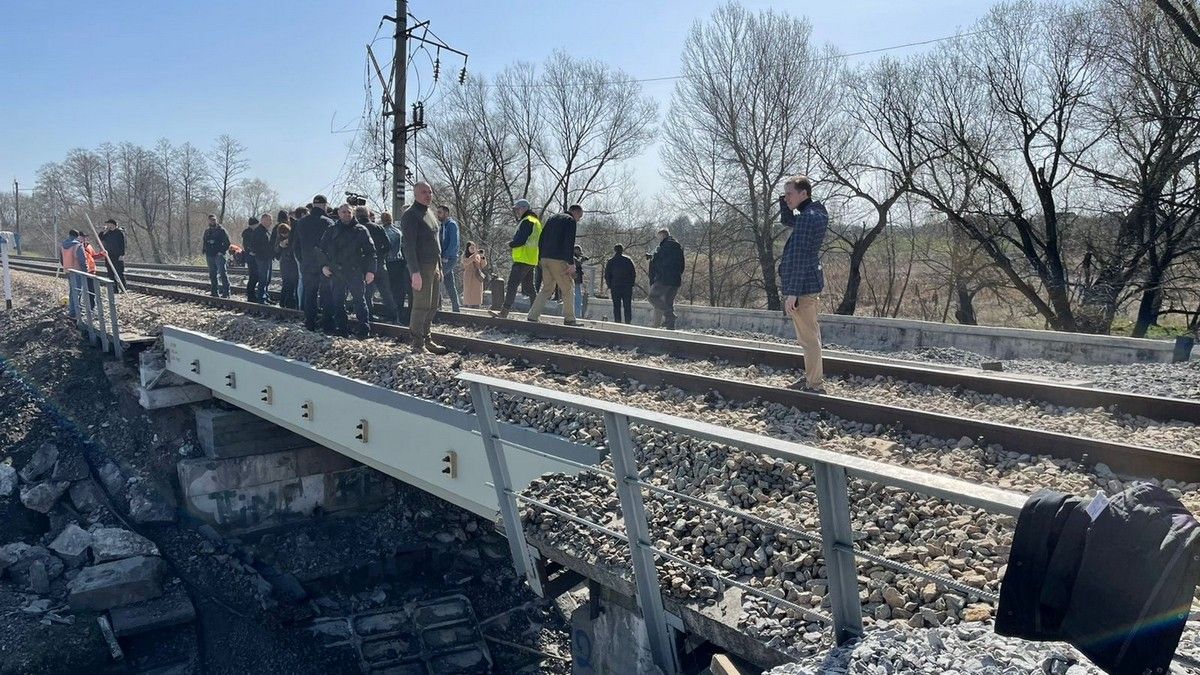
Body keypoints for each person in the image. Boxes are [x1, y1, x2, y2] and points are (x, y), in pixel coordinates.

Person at [778, 174, 829, 392]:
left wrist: (792, 293)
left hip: (802, 287)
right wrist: (785, 201)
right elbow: (788, 220)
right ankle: (811, 379)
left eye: (790, 193)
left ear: (803, 193)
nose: (786, 197)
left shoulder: (808, 218)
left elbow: (799, 256)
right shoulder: (813, 214)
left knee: (808, 340)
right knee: (810, 337)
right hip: (808, 284)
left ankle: (815, 384)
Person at [401, 182, 450, 354]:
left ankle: (427, 338)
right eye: (423, 192)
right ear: (415, 194)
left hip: (434, 266)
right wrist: (414, 272)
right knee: (421, 306)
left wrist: (440, 268)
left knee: (433, 305)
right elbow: (408, 246)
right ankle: (417, 344)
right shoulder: (411, 215)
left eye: (429, 192)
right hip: (421, 267)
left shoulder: (429, 212)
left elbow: (435, 243)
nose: (428, 195)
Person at [315, 203, 376, 338]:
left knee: (360, 300)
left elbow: (371, 252)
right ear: (339, 213)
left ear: (353, 213)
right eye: (343, 212)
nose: (346, 214)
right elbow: (321, 250)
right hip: (336, 271)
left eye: (348, 212)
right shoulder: (332, 230)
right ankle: (342, 328)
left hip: (355, 271)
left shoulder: (361, 230)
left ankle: (364, 330)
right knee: (338, 301)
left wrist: (371, 271)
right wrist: (323, 266)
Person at [528, 204, 583, 324]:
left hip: (544, 258)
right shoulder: (570, 221)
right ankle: (569, 319)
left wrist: (540, 258)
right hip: (558, 260)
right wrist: (570, 263)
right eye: (579, 216)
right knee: (568, 288)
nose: (579, 219)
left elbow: (541, 238)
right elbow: (569, 243)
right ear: (575, 212)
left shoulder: (552, 218)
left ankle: (532, 315)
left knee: (547, 289)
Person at [491, 199, 542, 319]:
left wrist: (511, 244)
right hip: (531, 259)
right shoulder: (536, 221)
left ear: (524, 208)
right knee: (530, 288)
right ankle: (535, 313)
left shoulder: (527, 221)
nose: (517, 211)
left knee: (512, 285)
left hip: (522, 259)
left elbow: (521, 240)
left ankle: (504, 312)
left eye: (518, 209)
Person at [292, 195, 335, 330]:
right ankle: (327, 322)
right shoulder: (329, 222)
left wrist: (302, 260)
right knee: (327, 293)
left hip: (307, 263)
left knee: (310, 293)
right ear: (325, 205)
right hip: (325, 265)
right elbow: (333, 246)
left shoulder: (301, 222)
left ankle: (310, 321)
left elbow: (296, 246)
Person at [359, 206, 398, 322]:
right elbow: (388, 245)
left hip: (364, 266)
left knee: (367, 293)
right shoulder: (378, 228)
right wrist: (379, 255)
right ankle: (394, 316)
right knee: (386, 292)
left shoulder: (357, 229)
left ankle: (369, 317)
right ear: (367, 215)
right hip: (380, 264)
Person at [647, 227, 685, 329]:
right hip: (676, 279)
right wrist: (677, 275)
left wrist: (657, 275)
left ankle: (670, 316)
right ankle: (670, 327)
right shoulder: (678, 247)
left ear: (662, 235)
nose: (658, 239)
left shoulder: (663, 247)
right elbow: (682, 265)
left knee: (652, 297)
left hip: (663, 278)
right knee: (669, 302)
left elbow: (658, 263)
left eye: (658, 237)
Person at [382, 211, 411, 324]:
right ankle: (400, 312)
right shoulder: (398, 231)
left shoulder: (383, 231)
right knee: (399, 290)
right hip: (399, 263)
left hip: (388, 263)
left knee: (389, 290)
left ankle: (392, 314)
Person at [437, 205, 462, 312]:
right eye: (437, 212)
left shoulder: (451, 225)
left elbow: (454, 243)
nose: (438, 215)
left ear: (446, 213)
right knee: (449, 283)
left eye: (440, 212)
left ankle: (437, 305)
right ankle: (456, 308)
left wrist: (446, 256)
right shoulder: (442, 226)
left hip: (450, 258)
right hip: (443, 257)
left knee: (437, 279)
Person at [605, 244, 636, 324]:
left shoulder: (611, 261)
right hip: (627, 286)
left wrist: (609, 285)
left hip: (615, 286)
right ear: (622, 250)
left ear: (615, 250)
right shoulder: (628, 260)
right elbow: (633, 273)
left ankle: (617, 322)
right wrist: (631, 284)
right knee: (627, 305)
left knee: (616, 306)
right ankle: (628, 322)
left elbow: (607, 275)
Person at [202, 214, 231, 298]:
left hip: (219, 255)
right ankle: (214, 292)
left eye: (214, 219)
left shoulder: (221, 230)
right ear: (208, 221)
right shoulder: (207, 231)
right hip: (209, 255)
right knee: (212, 274)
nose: (212, 221)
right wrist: (204, 250)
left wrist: (221, 251)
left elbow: (227, 243)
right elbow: (204, 241)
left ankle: (226, 292)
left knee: (223, 273)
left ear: (216, 220)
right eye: (211, 220)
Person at [273, 221, 299, 309]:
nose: (284, 235)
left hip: (293, 262)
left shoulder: (293, 236)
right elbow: (276, 251)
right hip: (285, 263)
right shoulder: (279, 238)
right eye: (282, 234)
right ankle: (284, 302)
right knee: (286, 283)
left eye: (286, 233)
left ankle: (289, 302)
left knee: (292, 283)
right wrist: (281, 245)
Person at [60, 230, 87, 317]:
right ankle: (76, 312)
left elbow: (61, 259)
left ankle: (72, 311)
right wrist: (85, 271)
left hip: (68, 270)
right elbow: (82, 261)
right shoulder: (78, 246)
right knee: (78, 292)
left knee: (72, 291)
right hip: (77, 271)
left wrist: (66, 266)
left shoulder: (63, 245)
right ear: (77, 236)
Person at [77, 232, 105, 310]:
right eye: (82, 237)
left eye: (85, 237)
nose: (84, 238)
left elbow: (93, 256)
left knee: (91, 290)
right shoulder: (76, 246)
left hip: (91, 271)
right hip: (81, 271)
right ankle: (78, 306)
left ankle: (91, 306)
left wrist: (102, 254)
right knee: (79, 290)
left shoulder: (89, 246)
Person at [251, 214, 274, 303]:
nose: (271, 222)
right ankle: (261, 298)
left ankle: (266, 296)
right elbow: (254, 245)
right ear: (263, 220)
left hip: (268, 257)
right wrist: (261, 252)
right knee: (263, 278)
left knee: (267, 279)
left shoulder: (267, 231)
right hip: (261, 258)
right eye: (269, 220)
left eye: (271, 220)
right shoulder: (258, 231)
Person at [99, 218, 127, 292]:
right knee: (110, 273)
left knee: (119, 273)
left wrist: (122, 254)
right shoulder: (107, 233)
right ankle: (115, 289)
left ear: (112, 224)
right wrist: (103, 231)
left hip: (117, 256)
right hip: (109, 256)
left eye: (108, 224)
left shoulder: (119, 233)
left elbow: (123, 244)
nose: (107, 225)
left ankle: (123, 288)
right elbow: (101, 238)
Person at [461, 242, 488, 308]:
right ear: (468, 248)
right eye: (471, 248)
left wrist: (482, 257)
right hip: (468, 275)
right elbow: (466, 262)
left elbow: (483, 265)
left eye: (474, 248)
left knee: (477, 292)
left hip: (477, 276)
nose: (473, 249)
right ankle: (467, 305)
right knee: (468, 291)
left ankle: (476, 305)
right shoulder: (464, 255)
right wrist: (474, 255)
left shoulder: (477, 256)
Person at [572, 245, 590, 319]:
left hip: (577, 280)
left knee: (578, 298)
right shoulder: (572, 257)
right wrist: (582, 259)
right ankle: (576, 314)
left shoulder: (577, 257)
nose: (579, 252)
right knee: (577, 298)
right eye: (578, 250)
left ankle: (577, 314)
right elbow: (577, 263)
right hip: (574, 280)